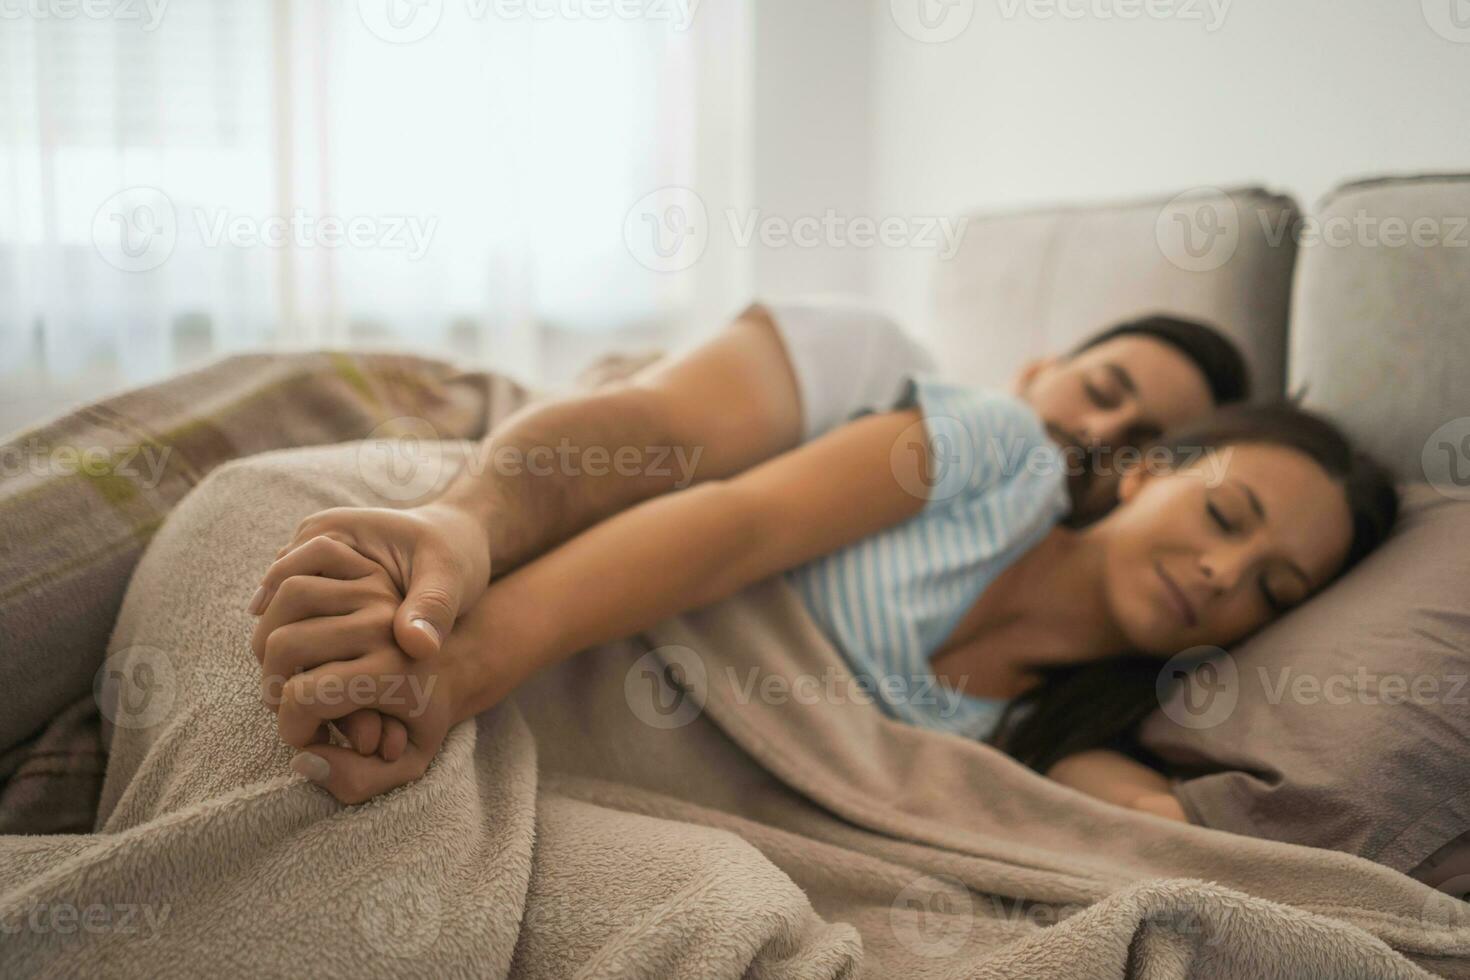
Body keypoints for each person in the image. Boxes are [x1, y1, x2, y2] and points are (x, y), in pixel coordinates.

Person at [249, 298, 1338, 808]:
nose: (1223, 575)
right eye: (1227, 517)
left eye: (1274, 589)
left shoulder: (1067, 720)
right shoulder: (980, 441)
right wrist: (459, 657)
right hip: (601, 584)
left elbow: (1165, 834)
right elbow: (736, 521)